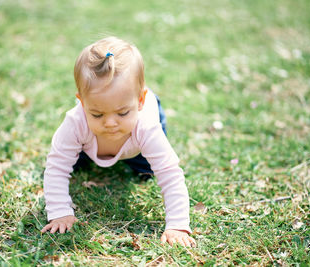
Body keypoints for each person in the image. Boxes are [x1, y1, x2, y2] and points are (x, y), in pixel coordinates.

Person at [40, 36, 196, 247]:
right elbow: (56, 168)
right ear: (82, 102)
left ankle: (133, 146)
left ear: (140, 101)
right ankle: (94, 145)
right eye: (97, 114)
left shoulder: (147, 126)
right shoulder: (75, 123)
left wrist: (177, 225)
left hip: (136, 146)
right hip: (88, 144)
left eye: (122, 113)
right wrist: (59, 212)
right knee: (72, 164)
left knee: (146, 173)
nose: (110, 123)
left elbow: (169, 173)